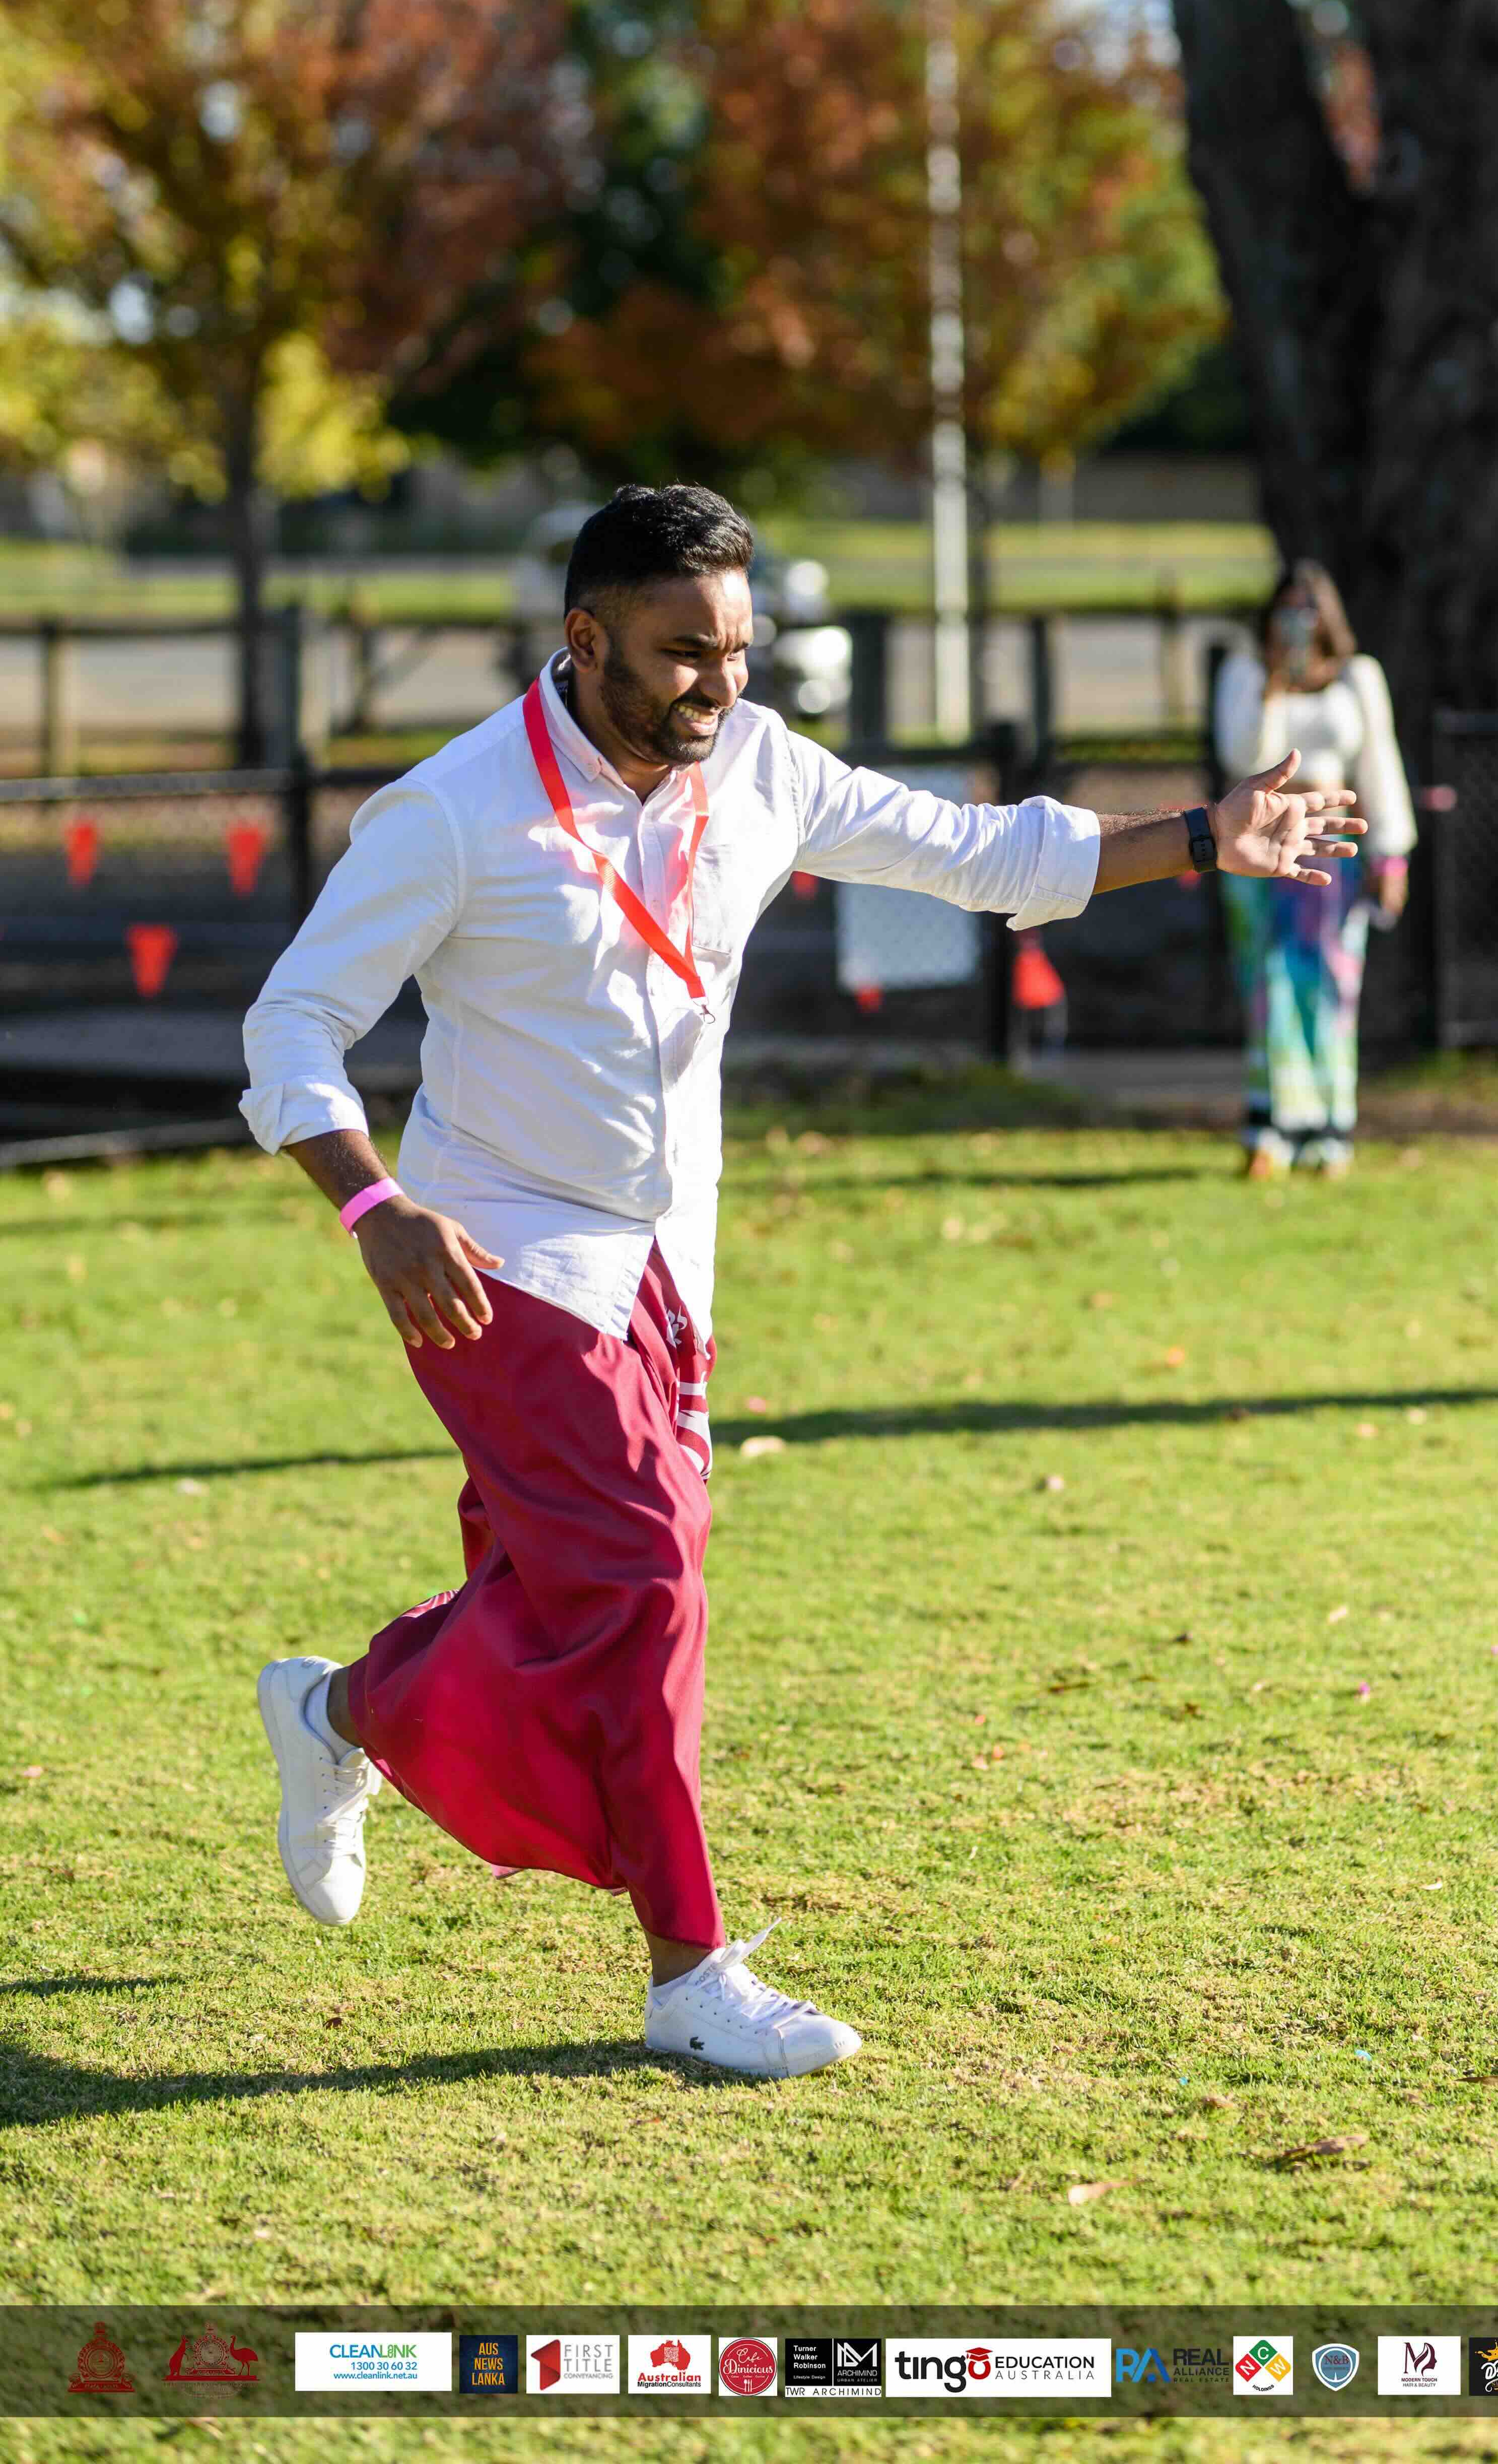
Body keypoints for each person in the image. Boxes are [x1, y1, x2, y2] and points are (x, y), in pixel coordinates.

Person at [240, 484, 1363, 2079]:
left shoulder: (759, 766)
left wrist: (1199, 839)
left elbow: (981, 856)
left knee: (591, 1594)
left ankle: (339, 1712)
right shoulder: (453, 811)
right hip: (493, 1256)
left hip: (667, 1259)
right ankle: (690, 1973)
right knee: (645, 1578)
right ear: (585, 641)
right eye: (683, 653)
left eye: (740, 649)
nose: (721, 683)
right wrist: (375, 1205)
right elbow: (288, 1030)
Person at [1211, 559, 1416, 1178]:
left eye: (1308, 608)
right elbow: (1239, 755)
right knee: (1267, 981)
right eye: (1286, 609)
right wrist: (1273, 686)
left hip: (1331, 842)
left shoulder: (1357, 678)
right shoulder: (1246, 673)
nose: (1297, 621)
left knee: (1329, 982)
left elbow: (1378, 762)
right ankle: (1271, 1124)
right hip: (1257, 842)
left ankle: (1328, 1128)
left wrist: (1392, 851)